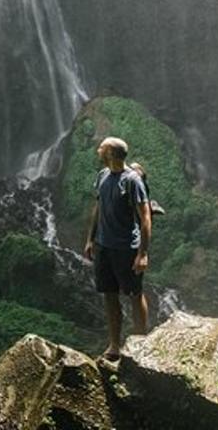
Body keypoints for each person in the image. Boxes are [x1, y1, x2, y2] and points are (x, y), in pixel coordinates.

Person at [82, 136, 152, 361]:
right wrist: (90, 239)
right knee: (109, 295)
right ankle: (114, 345)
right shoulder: (102, 176)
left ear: (111, 153)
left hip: (126, 248)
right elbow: (99, 207)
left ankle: (141, 343)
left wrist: (142, 253)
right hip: (104, 246)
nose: (98, 150)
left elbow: (145, 218)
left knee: (134, 293)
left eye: (101, 147)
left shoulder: (132, 181)